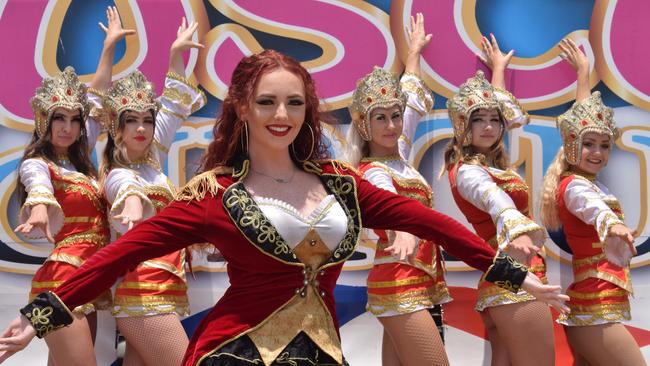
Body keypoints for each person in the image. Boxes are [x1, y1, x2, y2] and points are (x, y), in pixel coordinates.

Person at [0, 49, 568, 366]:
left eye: (295, 102)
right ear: (243, 108)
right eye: (267, 101)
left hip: (322, 354)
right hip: (235, 352)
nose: (282, 113)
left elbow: (431, 223)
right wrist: (36, 317)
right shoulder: (213, 194)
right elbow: (119, 254)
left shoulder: (342, 182)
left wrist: (512, 273)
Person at [5, 8, 134, 365]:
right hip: (62, 281)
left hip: (88, 280)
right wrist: (42, 208)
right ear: (44, 121)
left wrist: (108, 49)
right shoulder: (38, 164)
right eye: (58, 118)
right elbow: (38, 187)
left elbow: (95, 97)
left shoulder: (81, 163)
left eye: (74, 120)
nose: (67, 127)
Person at [93, 17, 205, 366]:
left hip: (161, 291)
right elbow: (123, 188)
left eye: (146, 120)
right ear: (118, 130)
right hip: (144, 296)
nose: (141, 128)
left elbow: (172, 104)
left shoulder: (154, 160)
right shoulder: (117, 174)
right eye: (131, 121)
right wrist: (133, 201)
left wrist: (175, 56)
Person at [345, 13, 451, 365]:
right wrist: (402, 228)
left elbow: (412, 103)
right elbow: (388, 202)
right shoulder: (371, 171)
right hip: (400, 282)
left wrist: (413, 54)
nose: (392, 125)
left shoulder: (399, 154)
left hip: (418, 280)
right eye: (381, 118)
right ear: (364, 125)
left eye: (395, 115)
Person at [442, 34, 555, 365]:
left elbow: (512, 117)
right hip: (515, 280)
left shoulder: (490, 166)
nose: (489, 127)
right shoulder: (467, 172)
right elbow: (495, 200)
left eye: (495, 120)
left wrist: (498, 72)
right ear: (464, 126)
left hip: (506, 280)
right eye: (479, 120)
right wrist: (517, 226)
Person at [539, 38, 645, 366]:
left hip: (593, 309)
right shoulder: (574, 187)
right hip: (597, 313)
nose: (597, 152)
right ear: (573, 147)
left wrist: (583, 75)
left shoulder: (586, 182)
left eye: (604, 145)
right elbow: (593, 209)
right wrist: (611, 223)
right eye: (589, 145)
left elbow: (585, 121)